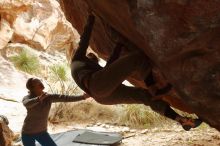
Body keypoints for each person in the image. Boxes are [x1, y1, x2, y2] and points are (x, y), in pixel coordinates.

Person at [70, 14, 202, 131]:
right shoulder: (78, 59)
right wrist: (91, 18)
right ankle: (153, 88)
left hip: (102, 96)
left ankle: (181, 120)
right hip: (98, 87)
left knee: (144, 97)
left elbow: (110, 69)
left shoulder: (85, 69)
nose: (93, 58)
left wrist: (118, 46)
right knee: (138, 58)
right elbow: (84, 41)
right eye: (92, 57)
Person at [21, 78, 89, 146]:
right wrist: (38, 99)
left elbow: (65, 98)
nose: (42, 84)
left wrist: (83, 97)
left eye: (40, 82)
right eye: (38, 84)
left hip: (41, 132)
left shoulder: (48, 97)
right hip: (27, 133)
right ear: (32, 88)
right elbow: (26, 103)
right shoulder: (27, 98)